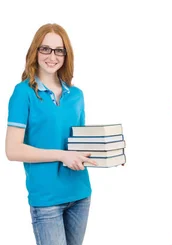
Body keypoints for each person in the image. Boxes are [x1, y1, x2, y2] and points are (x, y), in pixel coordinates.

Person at [5, 23, 96, 245]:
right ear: (35, 51)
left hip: (80, 193)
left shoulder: (76, 95)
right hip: (46, 199)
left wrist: (106, 155)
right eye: (45, 49)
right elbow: (12, 150)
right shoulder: (23, 92)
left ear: (66, 55)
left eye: (59, 50)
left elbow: (78, 144)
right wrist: (61, 155)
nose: (52, 56)